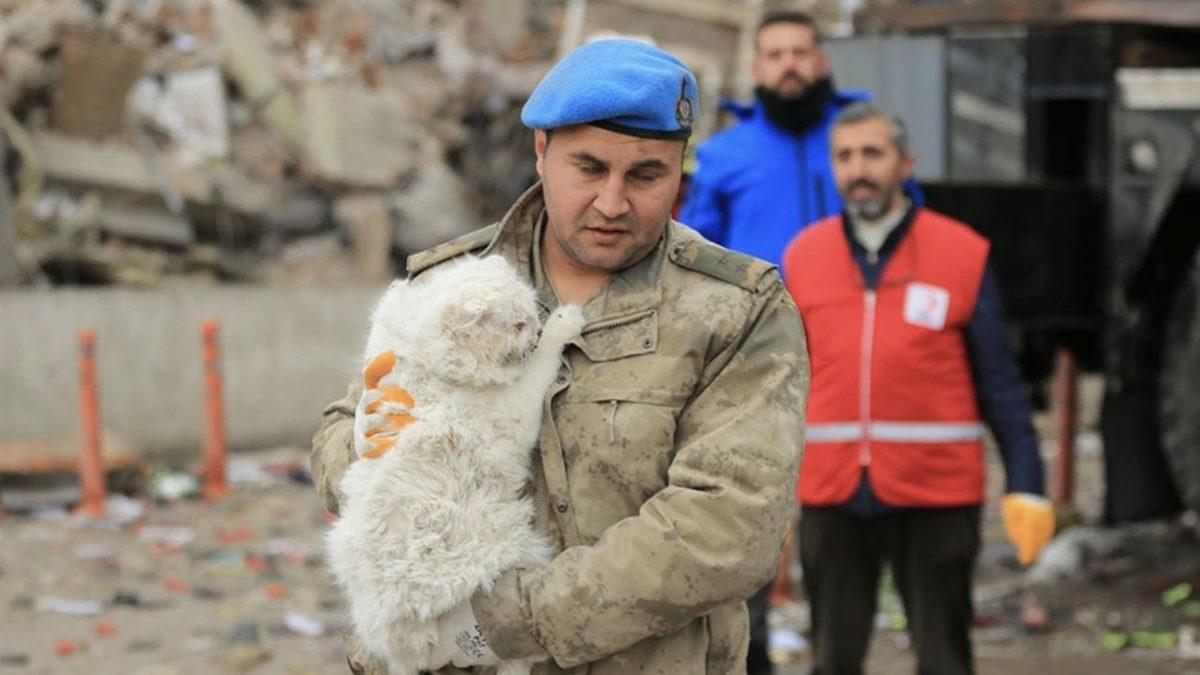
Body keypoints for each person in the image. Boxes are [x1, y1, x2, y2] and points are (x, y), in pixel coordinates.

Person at [312, 37, 810, 675]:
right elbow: (339, 436)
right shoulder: (453, 284)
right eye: (589, 168)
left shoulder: (736, 312)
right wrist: (362, 448)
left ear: (681, 170)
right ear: (542, 152)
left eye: (645, 175)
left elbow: (727, 530)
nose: (612, 202)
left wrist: (498, 625)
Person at [780, 102, 1055, 675]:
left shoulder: (960, 252)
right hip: (833, 494)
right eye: (845, 156)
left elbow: (1000, 383)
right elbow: (780, 381)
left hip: (937, 493)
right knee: (831, 659)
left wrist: (1027, 482)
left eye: (873, 154)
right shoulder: (803, 256)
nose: (859, 169)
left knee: (944, 659)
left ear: (905, 162)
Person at [679, 10, 867, 267]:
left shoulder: (864, 142)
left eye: (800, 53)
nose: (789, 65)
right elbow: (695, 251)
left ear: (822, 62)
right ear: (756, 69)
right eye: (775, 55)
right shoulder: (722, 152)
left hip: (850, 303)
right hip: (758, 306)